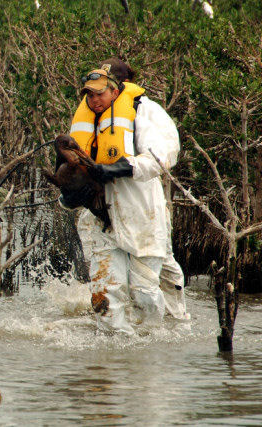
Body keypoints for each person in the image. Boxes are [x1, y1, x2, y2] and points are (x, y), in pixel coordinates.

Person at [60, 60, 187, 335]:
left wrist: (116, 168)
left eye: (100, 93)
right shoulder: (87, 121)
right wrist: (68, 196)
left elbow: (161, 158)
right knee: (105, 295)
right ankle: (113, 356)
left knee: (144, 292)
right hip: (101, 217)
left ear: (116, 90)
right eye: (89, 94)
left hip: (142, 215)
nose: (94, 100)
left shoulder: (144, 111)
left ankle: (154, 345)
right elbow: (70, 173)